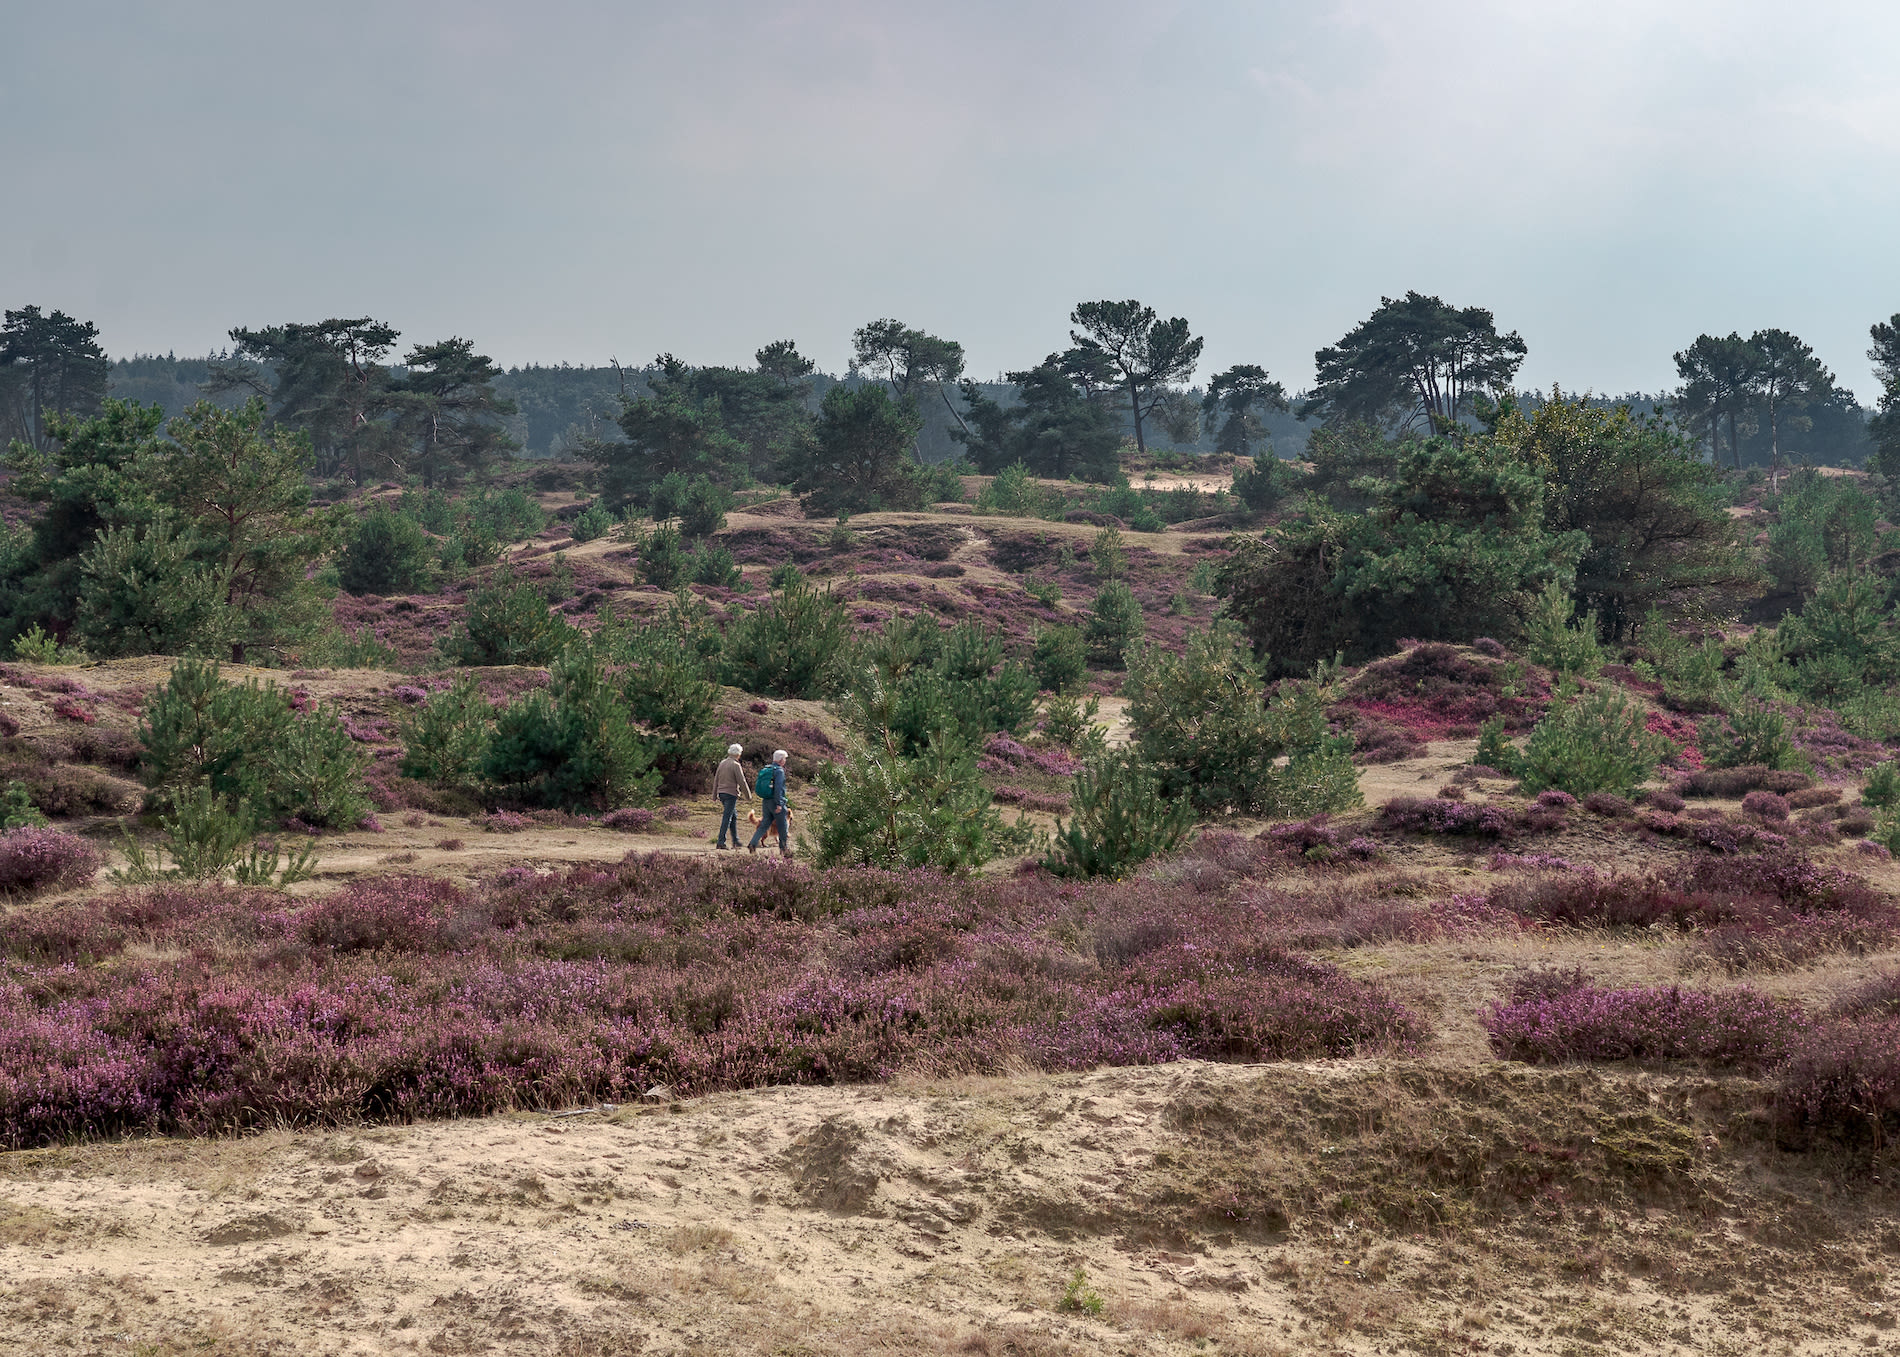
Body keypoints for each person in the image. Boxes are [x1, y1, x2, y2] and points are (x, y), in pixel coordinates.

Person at [747, 749, 791, 857]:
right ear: (781, 760)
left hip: (766, 801)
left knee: (764, 824)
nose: (785, 761)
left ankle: (753, 843)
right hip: (775, 802)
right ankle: (783, 848)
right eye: (784, 759)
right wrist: (779, 804)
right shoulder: (779, 771)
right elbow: (778, 789)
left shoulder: (767, 769)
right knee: (783, 825)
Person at [712, 743, 750, 849]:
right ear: (738, 754)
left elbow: (716, 779)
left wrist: (714, 794)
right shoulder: (735, 765)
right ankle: (721, 842)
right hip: (731, 794)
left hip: (722, 793)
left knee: (733, 816)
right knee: (727, 817)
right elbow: (742, 781)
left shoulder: (722, 763)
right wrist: (748, 796)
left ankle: (736, 840)